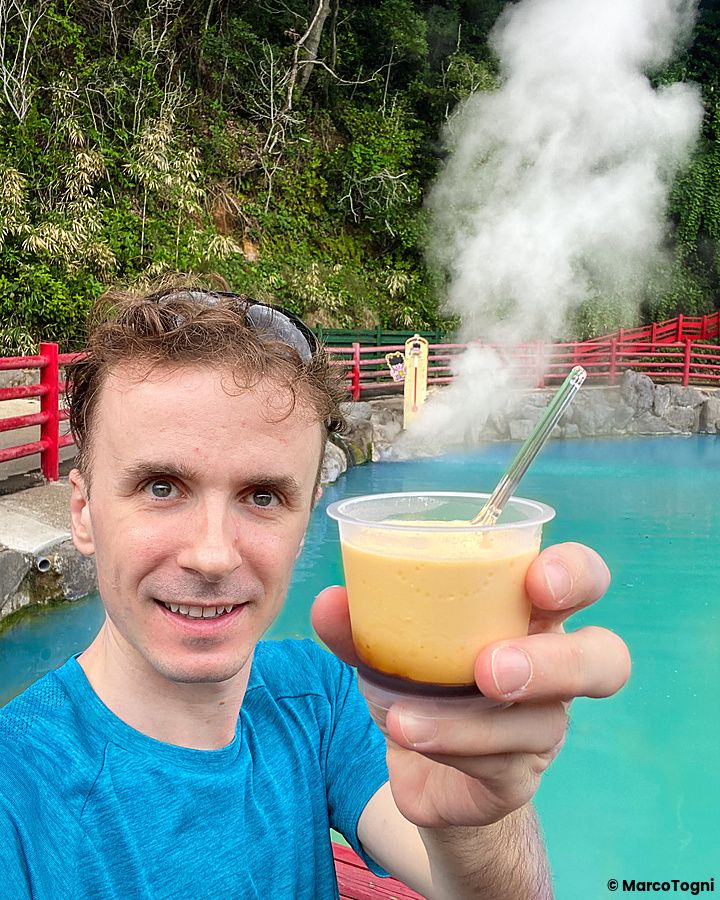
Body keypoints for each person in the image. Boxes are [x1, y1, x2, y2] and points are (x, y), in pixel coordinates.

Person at [0, 285, 630, 899]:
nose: (213, 555)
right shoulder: (19, 787)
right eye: (161, 488)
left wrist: (474, 807)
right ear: (83, 512)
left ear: (305, 523)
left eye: (263, 496)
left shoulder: (320, 696)